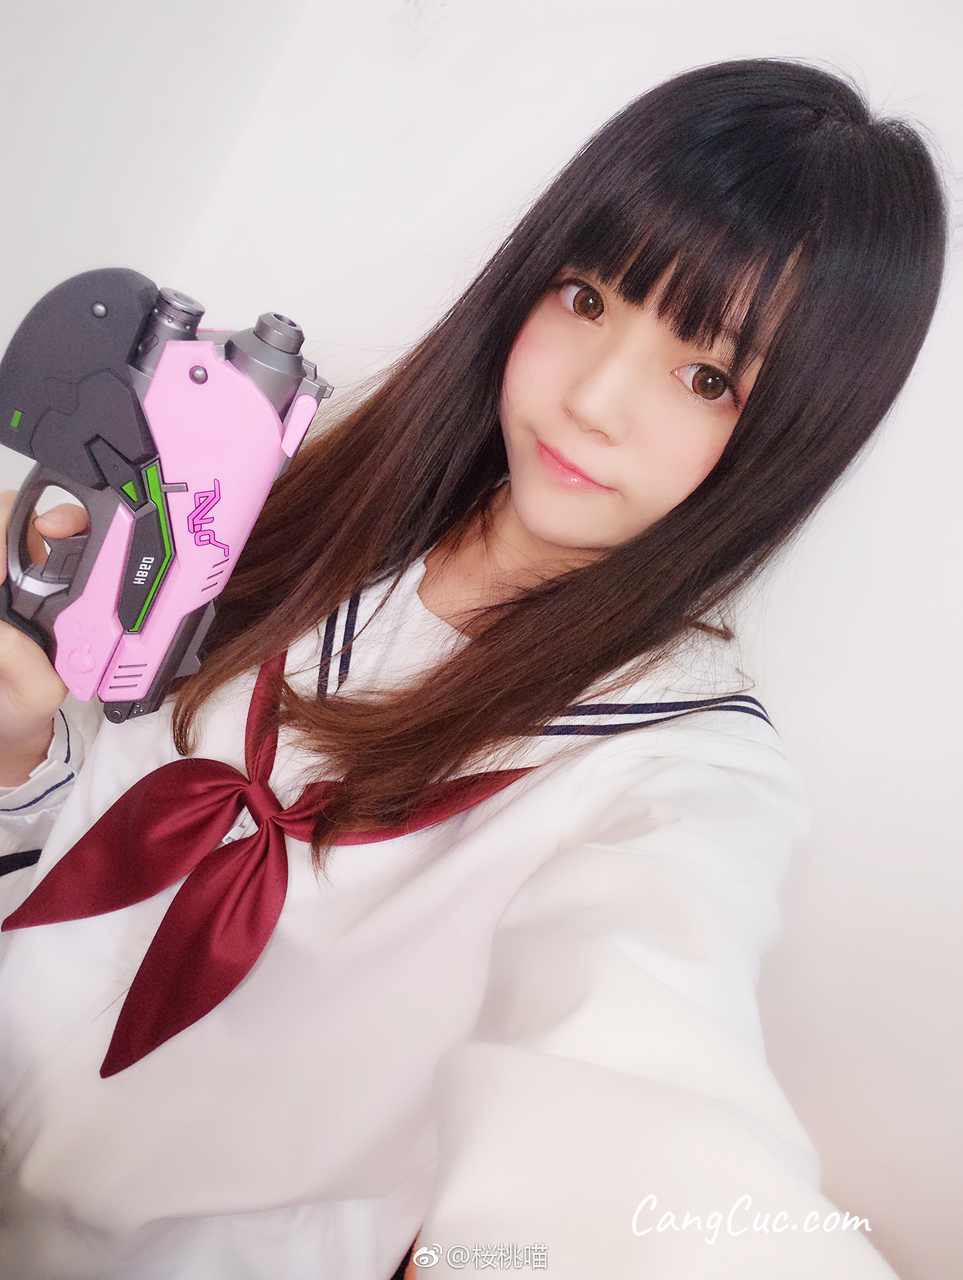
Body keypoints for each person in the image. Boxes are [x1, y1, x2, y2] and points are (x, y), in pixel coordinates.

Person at [0, 57, 947, 1280]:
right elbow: (82, 828)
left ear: (793, 432)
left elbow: (637, 1090)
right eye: (587, 297)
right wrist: (23, 748)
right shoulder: (292, 499)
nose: (595, 399)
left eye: (706, 375)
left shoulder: (679, 776)